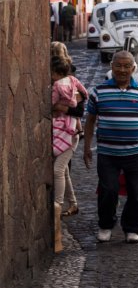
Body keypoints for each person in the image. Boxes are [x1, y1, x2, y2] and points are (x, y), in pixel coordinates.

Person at [83, 50, 138, 244]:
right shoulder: (99, 91)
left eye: (127, 66)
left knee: (137, 193)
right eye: (118, 65)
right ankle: (106, 225)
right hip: (107, 153)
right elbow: (90, 121)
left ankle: (132, 229)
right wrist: (86, 147)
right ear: (112, 67)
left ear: (133, 68)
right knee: (108, 190)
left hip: (136, 152)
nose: (122, 70)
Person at [50, 55, 86, 251]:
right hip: (68, 131)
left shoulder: (63, 85)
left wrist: (57, 106)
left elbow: (77, 108)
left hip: (69, 132)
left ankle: (58, 204)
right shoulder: (72, 83)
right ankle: (73, 204)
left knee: (58, 170)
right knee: (62, 170)